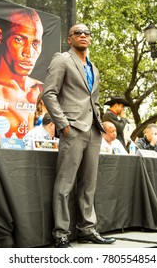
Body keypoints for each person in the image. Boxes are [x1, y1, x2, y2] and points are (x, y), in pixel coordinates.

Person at [42, 23, 116, 248]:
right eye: (78, 33)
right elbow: (49, 93)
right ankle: (61, 232)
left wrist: (98, 124)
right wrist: (63, 124)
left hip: (93, 131)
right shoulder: (62, 59)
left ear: (90, 39)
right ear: (69, 39)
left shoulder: (93, 67)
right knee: (65, 183)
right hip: (72, 128)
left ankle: (87, 229)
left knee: (89, 184)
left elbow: (93, 100)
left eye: (86, 33)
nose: (83, 35)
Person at [0, 7, 44, 144]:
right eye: (19, 40)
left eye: (35, 44)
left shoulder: (41, 90)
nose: (28, 53)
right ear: (0, 36)